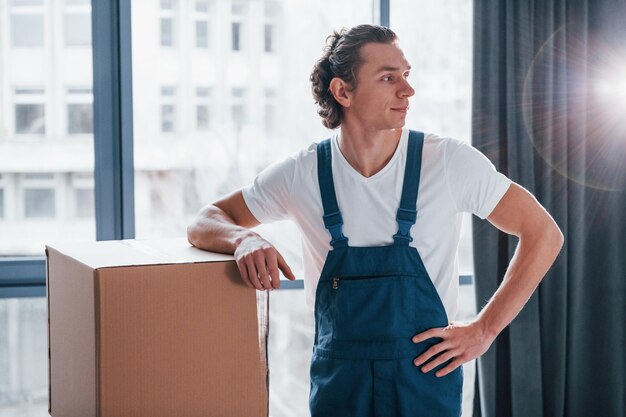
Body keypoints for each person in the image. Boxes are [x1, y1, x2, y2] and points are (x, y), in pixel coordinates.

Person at [187, 24, 563, 417]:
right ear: (343, 92)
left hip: (425, 382)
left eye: (406, 75)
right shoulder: (304, 173)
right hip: (340, 388)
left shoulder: (448, 163)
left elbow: (543, 233)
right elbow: (206, 220)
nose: (407, 90)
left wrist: (484, 330)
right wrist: (243, 240)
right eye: (388, 78)